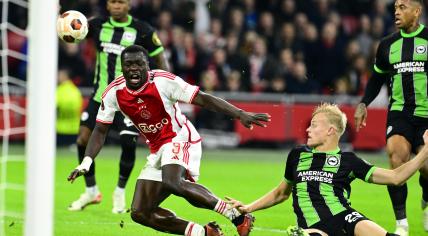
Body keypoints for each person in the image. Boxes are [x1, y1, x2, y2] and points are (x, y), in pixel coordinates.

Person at [68, 45, 271, 236]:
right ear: (122, 67)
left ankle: (237, 216)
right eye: (129, 65)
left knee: (172, 182)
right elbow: (100, 130)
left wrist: (240, 113)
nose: (134, 69)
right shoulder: (114, 93)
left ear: (148, 65)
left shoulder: (164, 81)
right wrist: (86, 162)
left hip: (180, 137)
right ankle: (203, 233)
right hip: (157, 148)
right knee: (140, 212)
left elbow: (203, 98)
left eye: (139, 64)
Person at [226, 103, 428, 236]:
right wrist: (248, 207)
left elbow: (396, 177)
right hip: (313, 226)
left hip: (344, 218)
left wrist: (425, 151)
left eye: (314, 125)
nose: (308, 129)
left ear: (331, 130)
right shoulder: (297, 155)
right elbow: (281, 193)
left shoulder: (348, 161)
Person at [67, 0, 169, 214]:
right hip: (100, 96)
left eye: (121, 2)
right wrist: (66, 25)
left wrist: (163, 88)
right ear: (107, 5)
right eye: (112, 2)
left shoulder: (143, 31)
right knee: (82, 140)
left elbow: (160, 59)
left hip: (130, 98)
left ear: (129, 5)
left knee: (128, 142)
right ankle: (91, 191)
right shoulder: (97, 25)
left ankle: (120, 192)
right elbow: (75, 31)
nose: (116, 6)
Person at [353, 0, 428, 234]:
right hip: (399, 113)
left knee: (426, 169)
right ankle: (401, 224)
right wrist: (364, 102)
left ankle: (426, 201)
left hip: (427, 114)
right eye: (395, 7)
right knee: (397, 158)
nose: (396, 11)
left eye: (403, 7)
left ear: (417, 11)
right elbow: (377, 78)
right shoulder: (386, 45)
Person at [56, 68, 83, 146]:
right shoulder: (76, 91)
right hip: (74, 129)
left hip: (60, 129)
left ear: (65, 76)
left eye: (59, 75)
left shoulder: (58, 91)